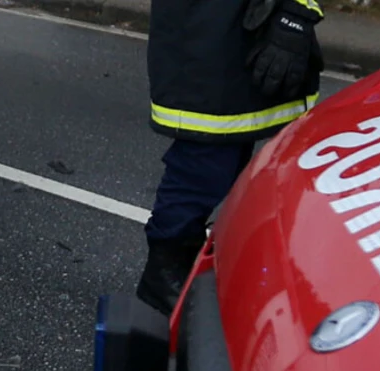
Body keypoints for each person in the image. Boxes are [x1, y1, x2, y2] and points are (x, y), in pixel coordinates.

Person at [136, 0, 326, 314]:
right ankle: (164, 274)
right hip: (206, 35)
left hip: (253, 25)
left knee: (244, 161)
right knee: (205, 163)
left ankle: (191, 270)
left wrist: (296, 11)